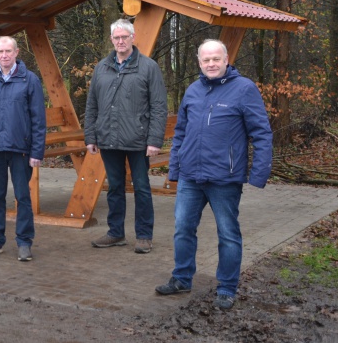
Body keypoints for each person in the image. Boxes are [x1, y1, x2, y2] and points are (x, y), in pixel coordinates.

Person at [155, 39, 273, 310]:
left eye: (215, 59)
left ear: (226, 59)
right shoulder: (193, 90)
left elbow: (262, 133)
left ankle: (227, 288)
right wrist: (175, 168)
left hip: (225, 178)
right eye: (206, 60)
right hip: (190, 177)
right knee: (183, 228)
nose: (211, 64)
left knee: (228, 234)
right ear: (199, 62)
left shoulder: (244, 89)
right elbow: (181, 133)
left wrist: (259, 173)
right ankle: (182, 278)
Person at [85, 18, 168, 254]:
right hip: (108, 139)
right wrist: (90, 136)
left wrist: (154, 140)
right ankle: (115, 233)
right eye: (116, 38)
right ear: (112, 40)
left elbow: (159, 106)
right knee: (114, 188)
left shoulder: (148, 67)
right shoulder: (102, 67)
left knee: (142, 188)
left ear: (132, 38)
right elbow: (92, 104)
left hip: (138, 141)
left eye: (124, 37)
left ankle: (144, 235)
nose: (120, 41)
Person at [0, 36, 46, 262]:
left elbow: (38, 120)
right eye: (0, 51)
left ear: (16, 52)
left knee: (23, 197)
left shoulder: (29, 80)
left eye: (8, 51)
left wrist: (37, 152)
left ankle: (24, 242)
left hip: (21, 149)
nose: (4, 55)